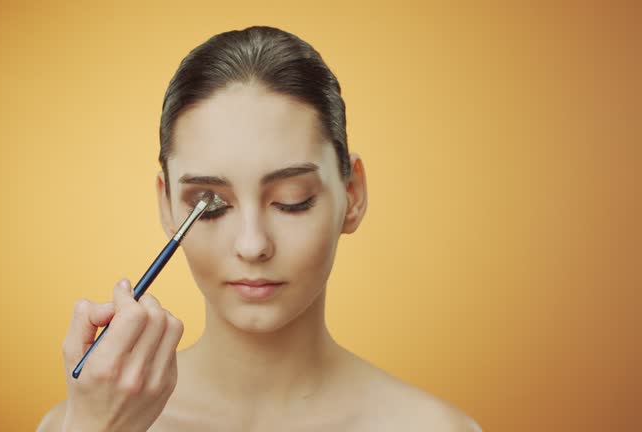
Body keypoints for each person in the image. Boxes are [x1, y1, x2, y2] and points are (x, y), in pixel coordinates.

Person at [38, 25, 482, 431]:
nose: (252, 245)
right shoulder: (78, 423)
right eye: (209, 205)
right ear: (167, 204)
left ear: (352, 194)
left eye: (292, 200)